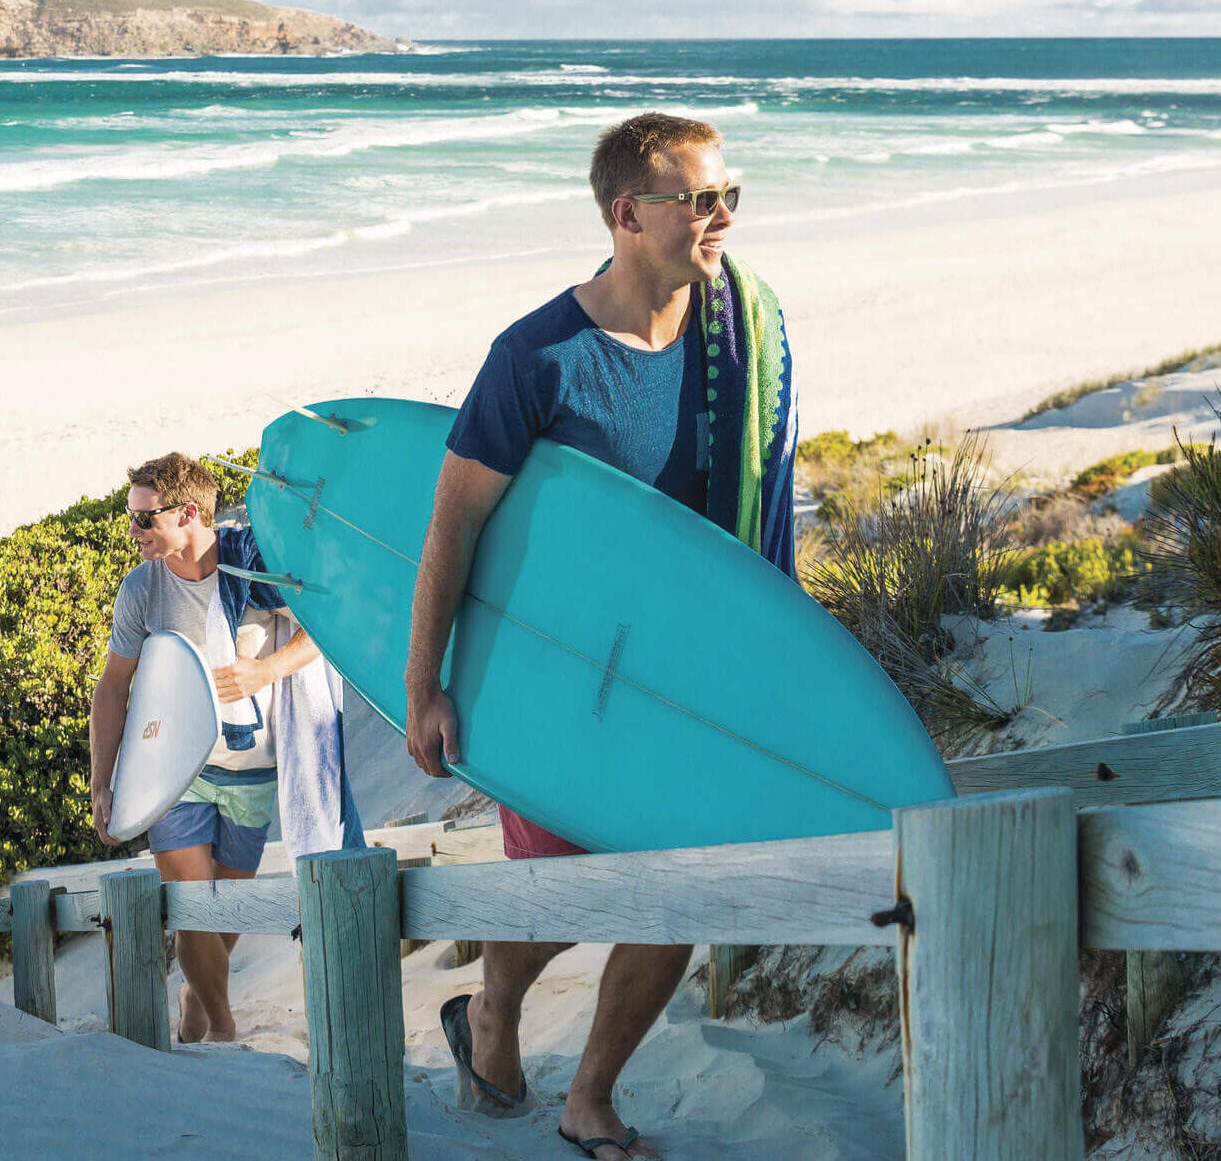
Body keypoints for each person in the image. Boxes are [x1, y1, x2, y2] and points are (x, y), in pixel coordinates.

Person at [406, 111, 797, 1161]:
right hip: (558, 678)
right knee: (560, 892)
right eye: (696, 200)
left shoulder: (741, 336)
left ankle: (590, 1096)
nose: (719, 218)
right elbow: (454, 522)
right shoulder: (537, 358)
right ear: (628, 215)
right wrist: (424, 685)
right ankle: (491, 1012)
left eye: (730, 196)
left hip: (685, 678)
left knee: (680, 888)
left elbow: (763, 512)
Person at [90, 451, 361, 1044]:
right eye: (129, 517)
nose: (132, 532)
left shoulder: (255, 564)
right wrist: (101, 780)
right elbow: (113, 687)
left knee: (223, 914)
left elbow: (329, 622)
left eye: (143, 520)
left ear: (188, 512)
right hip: (175, 769)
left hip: (256, 767)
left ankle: (197, 996)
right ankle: (222, 1027)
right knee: (192, 904)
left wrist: (267, 673)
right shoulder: (142, 590)